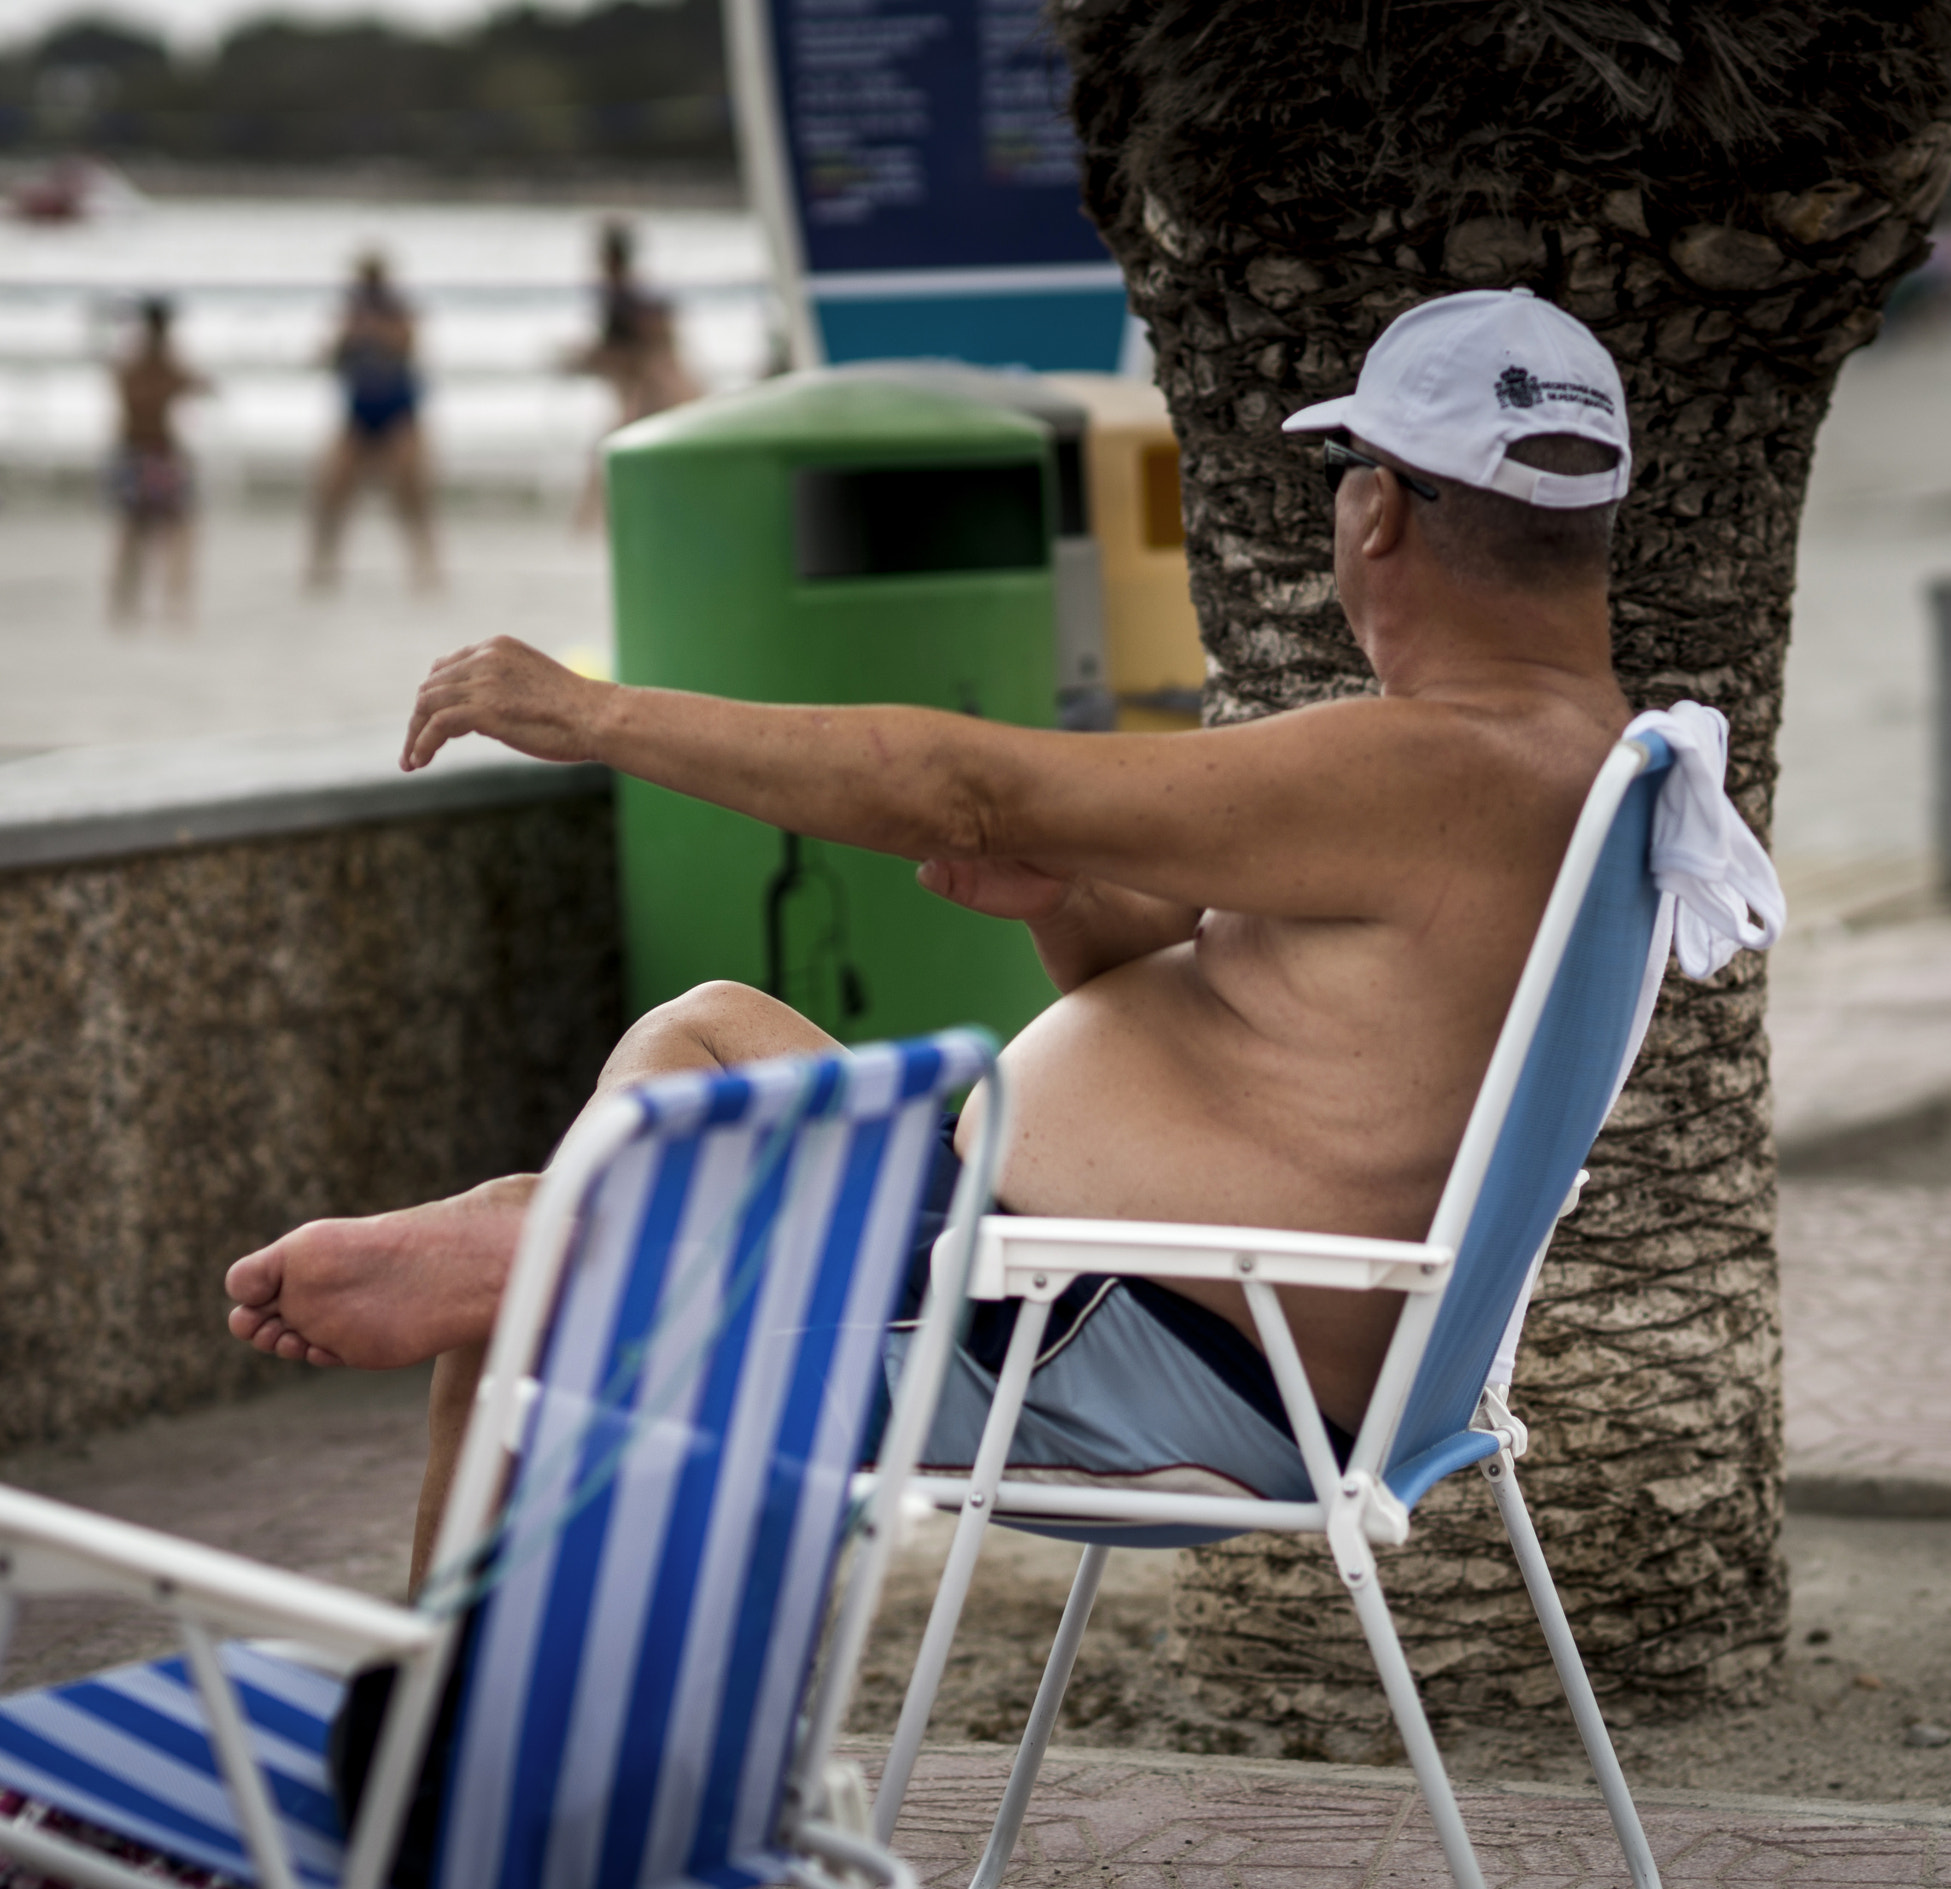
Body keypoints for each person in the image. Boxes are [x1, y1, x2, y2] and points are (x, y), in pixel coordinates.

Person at [225, 289, 1772, 1591]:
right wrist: (1072, 903)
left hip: (1112, 1353)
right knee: (707, 1032)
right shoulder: (1561, 756)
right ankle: (544, 1269)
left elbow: (967, 782)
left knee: (530, 1294)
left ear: (1376, 512)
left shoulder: (1442, 768)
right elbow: (1245, 1025)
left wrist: (598, 712)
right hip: (1063, 1287)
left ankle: (468, 1746)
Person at [308, 251, 440, 592]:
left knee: (411, 494)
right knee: (332, 490)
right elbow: (329, 359)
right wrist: (347, 338)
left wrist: (372, 331)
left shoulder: (397, 311)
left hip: (399, 412)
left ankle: (425, 567)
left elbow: (407, 349)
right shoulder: (350, 313)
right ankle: (323, 566)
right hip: (360, 412)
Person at [562, 219, 700, 529]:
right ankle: (589, 525)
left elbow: (641, 351)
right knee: (616, 455)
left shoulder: (627, 299)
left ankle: (587, 526)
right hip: (657, 389)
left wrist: (584, 359)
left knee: (611, 453)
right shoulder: (633, 296)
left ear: (608, 258)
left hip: (653, 391)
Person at [107, 296, 209, 626]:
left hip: (140, 451)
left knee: (139, 531)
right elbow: (190, 387)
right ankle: (166, 603)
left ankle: (130, 603)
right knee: (169, 529)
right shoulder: (154, 361)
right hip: (153, 451)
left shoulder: (137, 359)